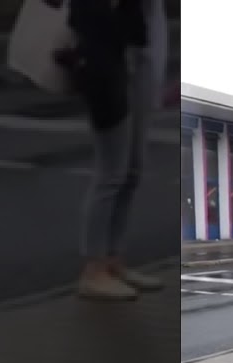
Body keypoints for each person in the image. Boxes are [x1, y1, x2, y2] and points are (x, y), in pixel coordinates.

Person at [69, 0, 169, 301]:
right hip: (108, 69)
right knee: (111, 173)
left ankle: (113, 260)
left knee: (131, 171)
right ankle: (93, 270)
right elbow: (88, 17)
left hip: (136, 67)